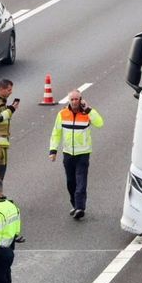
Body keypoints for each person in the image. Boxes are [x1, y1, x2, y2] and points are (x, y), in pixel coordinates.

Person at [49, 89, 104, 220]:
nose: (74, 102)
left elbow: (100, 123)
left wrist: (89, 109)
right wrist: (53, 150)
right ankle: (75, 205)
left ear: (81, 100)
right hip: (68, 153)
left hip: (83, 153)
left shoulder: (87, 113)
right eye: (72, 99)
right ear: (69, 101)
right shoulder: (62, 114)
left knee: (81, 181)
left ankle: (80, 207)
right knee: (70, 182)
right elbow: (56, 133)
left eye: (77, 99)